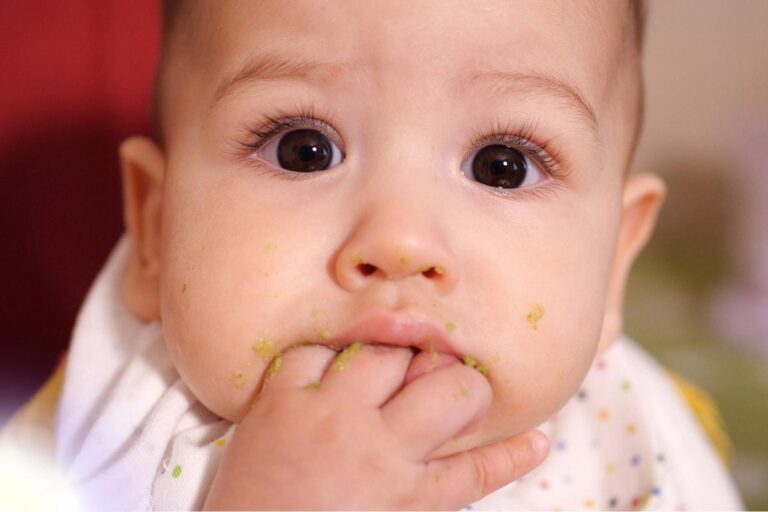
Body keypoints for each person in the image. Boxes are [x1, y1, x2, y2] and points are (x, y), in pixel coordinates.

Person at [0, 0, 743, 509]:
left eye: (502, 166)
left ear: (612, 265)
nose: (400, 242)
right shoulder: (92, 431)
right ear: (156, 231)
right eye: (303, 150)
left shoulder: (640, 445)